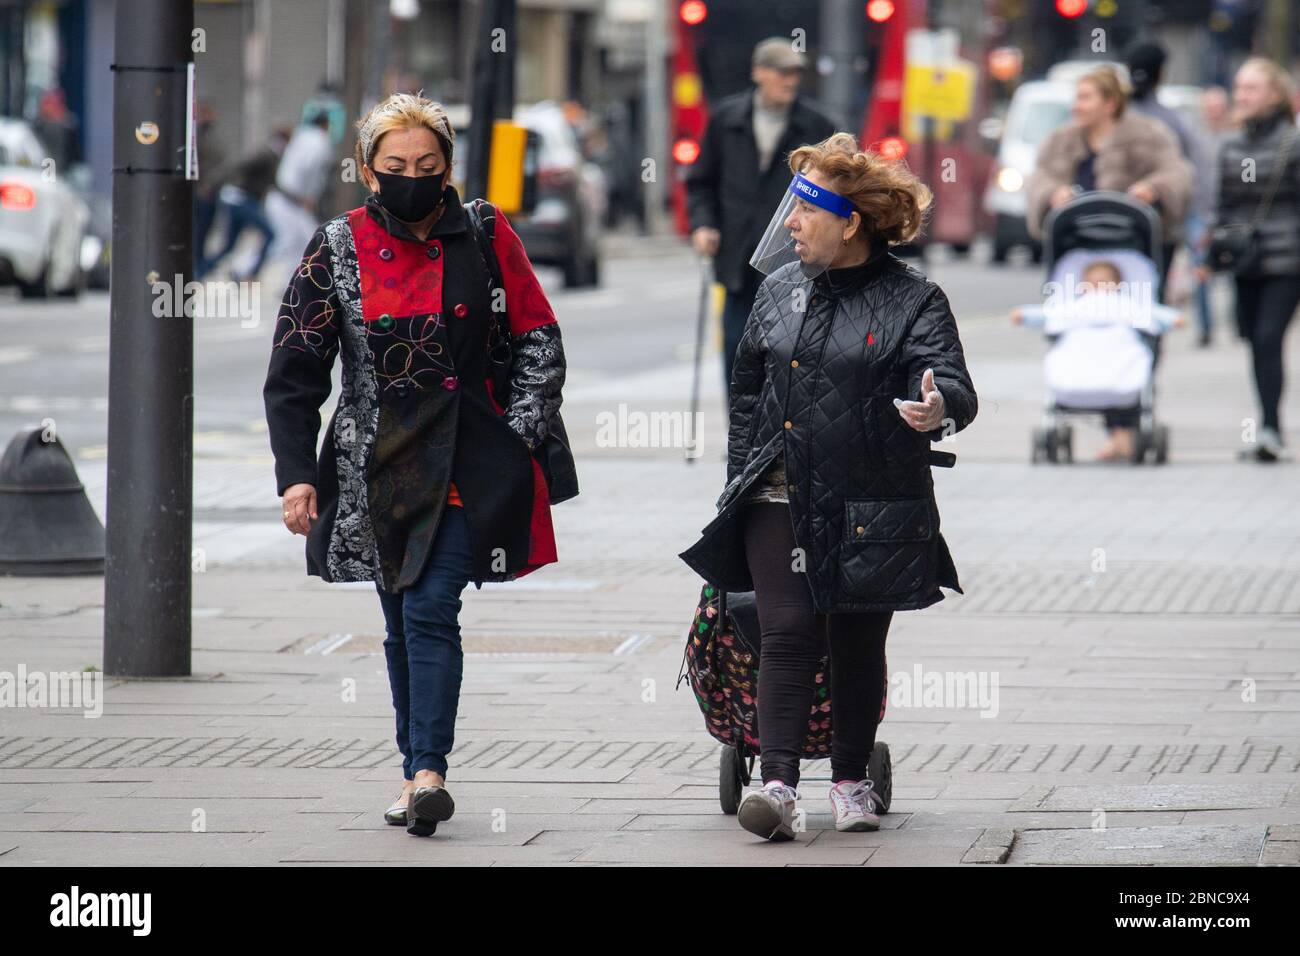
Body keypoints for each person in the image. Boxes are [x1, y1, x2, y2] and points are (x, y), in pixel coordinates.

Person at [262, 92, 571, 836]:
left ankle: (430, 769)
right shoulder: (336, 246)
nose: (412, 177)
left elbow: (540, 341)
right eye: (396, 165)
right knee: (401, 620)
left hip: (468, 458)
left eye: (427, 165)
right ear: (368, 172)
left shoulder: (489, 233)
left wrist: (514, 435)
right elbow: (296, 368)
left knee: (433, 606)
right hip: (377, 466)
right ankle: (412, 772)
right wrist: (295, 474)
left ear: (449, 167)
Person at [679, 132, 977, 841]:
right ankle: (777, 787)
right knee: (786, 632)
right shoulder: (777, 291)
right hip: (777, 495)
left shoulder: (915, 299)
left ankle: (850, 782)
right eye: (791, 205)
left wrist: (938, 409)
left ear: (850, 222)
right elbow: (747, 398)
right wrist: (735, 489)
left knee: (856, 639)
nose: (789, 222)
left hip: (874, 503)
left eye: (805, 209)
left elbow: (953, 382)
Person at [1027, 65, 1192, 461]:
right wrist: (1052, 193)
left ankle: (1128, 422)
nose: (1076, 105)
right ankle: (1115, 426)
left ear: (1110, 103)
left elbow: (1178, 172)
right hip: (1080, 249)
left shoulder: (1147, 136)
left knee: (1136, 328)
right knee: (1086, 331)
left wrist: (1153, 188)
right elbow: (1040, 178)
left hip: (1137, 244)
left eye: (1085, 97)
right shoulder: (1062, 140)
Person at [685, 37, 838, 413]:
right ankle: (741, 435)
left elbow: (838, 191)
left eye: (795, 73)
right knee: (738, 348)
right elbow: (701, 182)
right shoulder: (725, 120)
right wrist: (704, 226)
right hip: (736, 258)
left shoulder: (817, 125)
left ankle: (783, 434)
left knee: (788, 351)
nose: (790, 80)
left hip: (793, 260)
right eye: (782, 72)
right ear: (758, 72)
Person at [1202, 58, 1300, 462]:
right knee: (1252, 340)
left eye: (1252, 88)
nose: (1242, 95)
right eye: (1239, 88)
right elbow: (1225, 205)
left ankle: (1272, 428)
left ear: (1274, 94)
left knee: (1267, 337)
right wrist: (1213, 251)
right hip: (1244, 261)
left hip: (1286, 259)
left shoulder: (1292, 143)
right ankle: (1265, 425)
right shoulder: (1232, 146)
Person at [197, 127, 289, 281]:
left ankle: (199, 272)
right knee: (270, 233)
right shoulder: (265, 154)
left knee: (229, 246)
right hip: (241, 199)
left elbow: (272, 182)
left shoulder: (272, 156)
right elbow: (239, 165)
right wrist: (214, 184)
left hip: (240, 200)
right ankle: (251, 273)